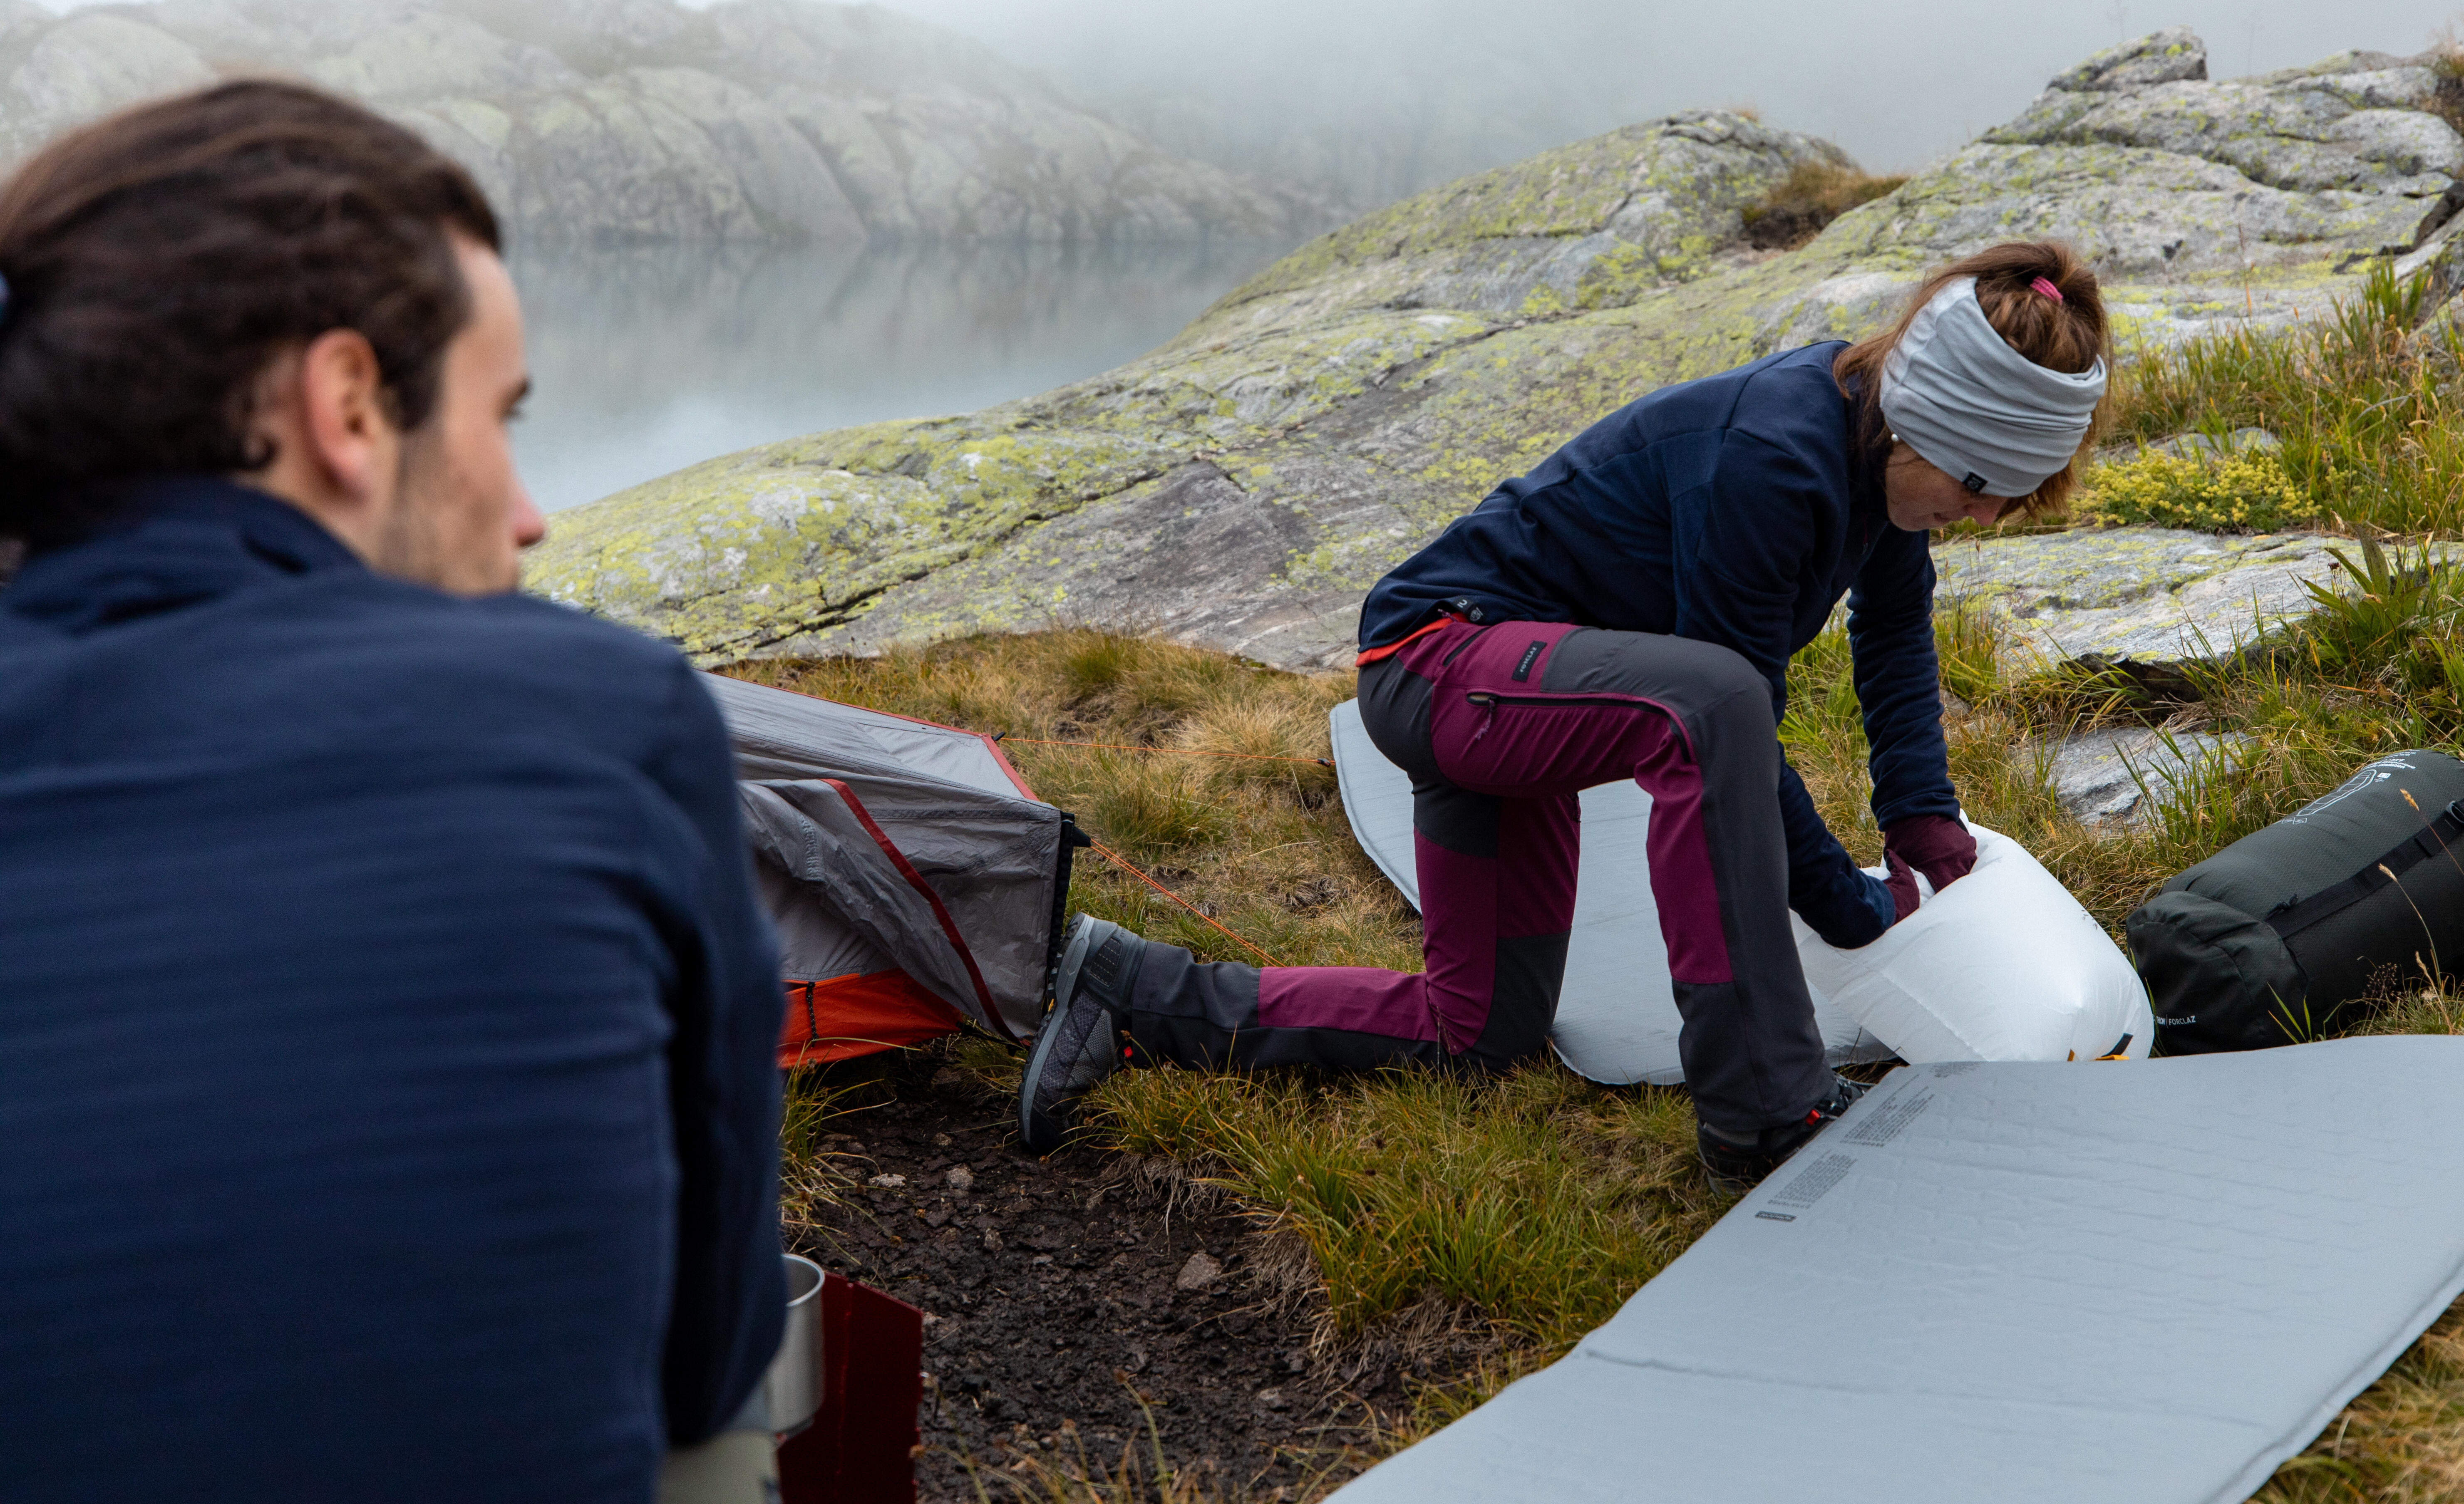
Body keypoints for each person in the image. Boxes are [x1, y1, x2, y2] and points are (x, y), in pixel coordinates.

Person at [0, 82, 787, 1502]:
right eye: (503, 413)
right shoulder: (606, 713)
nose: (533, 509)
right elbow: (706, 1354)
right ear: (347, 406)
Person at [1018, 241, 2110, 1185]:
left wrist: (1924, 816)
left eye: (2003, 499)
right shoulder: (1774, 461)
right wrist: (1843, 904)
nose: (1979, 516)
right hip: (1435, 662)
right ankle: (1766, 1108)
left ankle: (1133, 992)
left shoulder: (1880, 458)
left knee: (1479, 1036)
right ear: (1921, 422)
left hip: (1524, 706)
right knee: (1716, 701)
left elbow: (1894, 634)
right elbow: (1724, 722)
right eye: (1978, 487)